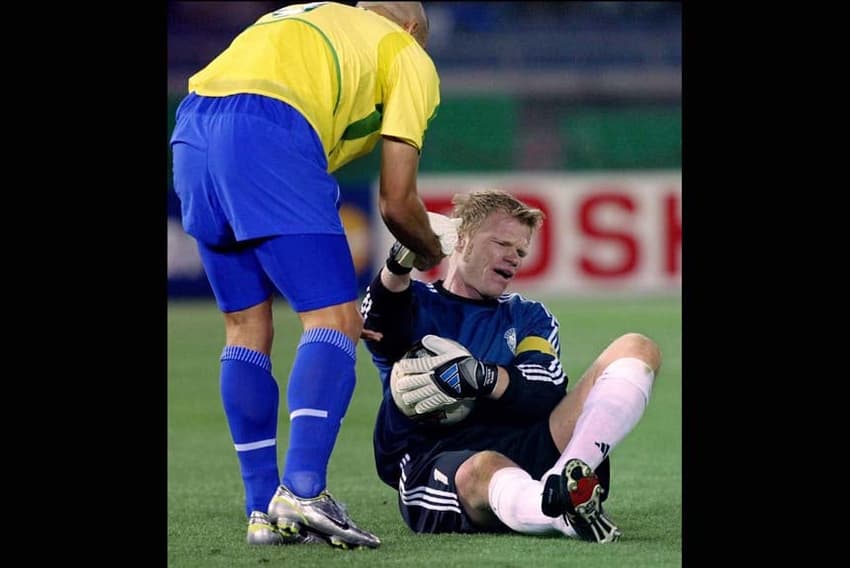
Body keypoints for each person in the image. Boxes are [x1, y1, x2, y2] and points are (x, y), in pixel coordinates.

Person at [169, 1, 445, 549]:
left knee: (246, 327)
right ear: (413, 28)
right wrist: (433, 249)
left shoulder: (303, 17)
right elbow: (396, 201)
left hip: (192, 126)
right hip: (270, 128)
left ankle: (262, 512)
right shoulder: (406, 51)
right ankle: (303, 490)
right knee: (335, 320)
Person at [360, 189, 662, 542]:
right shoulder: (416, 303)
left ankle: (564, 480)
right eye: (502, 243)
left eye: (520, 251)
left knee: (637, 347)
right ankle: (555, 511)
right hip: (440, 461)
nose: (514, 258)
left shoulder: (528, 315)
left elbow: (543, 388)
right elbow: (381, 315)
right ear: (462, 239)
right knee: (484, 466)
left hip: (525, 443)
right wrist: (402, 255)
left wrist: (478, 377)